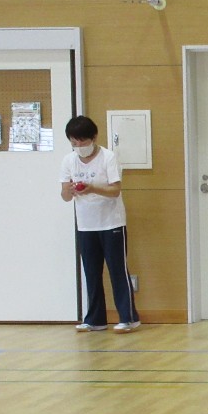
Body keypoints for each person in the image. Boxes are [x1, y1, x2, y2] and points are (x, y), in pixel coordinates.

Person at [59, 115, 140, 333]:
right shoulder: (68, 160)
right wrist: (70, 189)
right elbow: (65, 196)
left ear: (94, 137)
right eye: (74, 142)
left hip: (112, 223)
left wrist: (92, 188)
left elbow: (115, 190)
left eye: (83, 141)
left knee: (117, 270)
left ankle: (128, 317)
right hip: (86, 225)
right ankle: (95, 319)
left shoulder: (108, 157)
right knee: (91, 272)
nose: (79, 146)